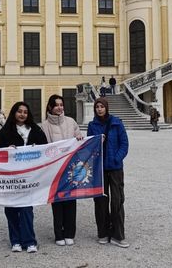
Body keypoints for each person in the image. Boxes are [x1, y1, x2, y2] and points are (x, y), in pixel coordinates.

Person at [0, 101, 48, 253]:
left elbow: (46, 149)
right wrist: (6, 150)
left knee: (26, 209)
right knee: (11, 209)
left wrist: (36, 149)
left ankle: (29, 240)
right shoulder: (5, 132)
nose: (22, 114)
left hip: (29, 177)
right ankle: (15, 240)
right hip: (10, 178)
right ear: (14, 113)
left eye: (25, 111)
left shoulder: (36, 130)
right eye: (19, 111)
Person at [40, 94, 83, 247]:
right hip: (54, 169)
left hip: (71, 168)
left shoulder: (71, 122)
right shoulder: (44, 126)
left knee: (71, 201)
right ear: (50, 107)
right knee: (57, 202)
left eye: (61, 104)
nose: (59, 107)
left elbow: (79, 137)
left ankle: (70, 233)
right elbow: (42, 147)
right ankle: (59, 233)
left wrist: (79, 138)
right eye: (56, 105)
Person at [87, 97, 130, 248]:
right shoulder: (92, 125)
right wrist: (98, 141)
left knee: (117, 200)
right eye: (97, 107)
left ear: (106, 108)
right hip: (99, 169)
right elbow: (89, 146)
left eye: (102, 107)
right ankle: (103, 233)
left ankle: (118, 235)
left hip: (115, 167)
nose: (99, 109)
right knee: (100, 202)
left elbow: (124, 144)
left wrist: (116, 159)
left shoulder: (117, 123)